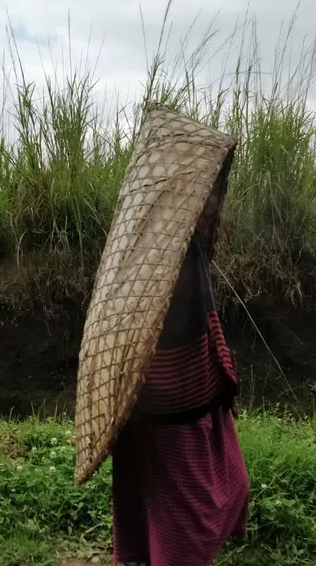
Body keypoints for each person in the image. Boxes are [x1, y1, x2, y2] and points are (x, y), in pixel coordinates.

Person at [110, 165, 250, 566]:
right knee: (180, 506)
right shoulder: (160, 255)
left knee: (217, 487)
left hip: (176, 393)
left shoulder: (182, 244)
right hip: (169, 395)